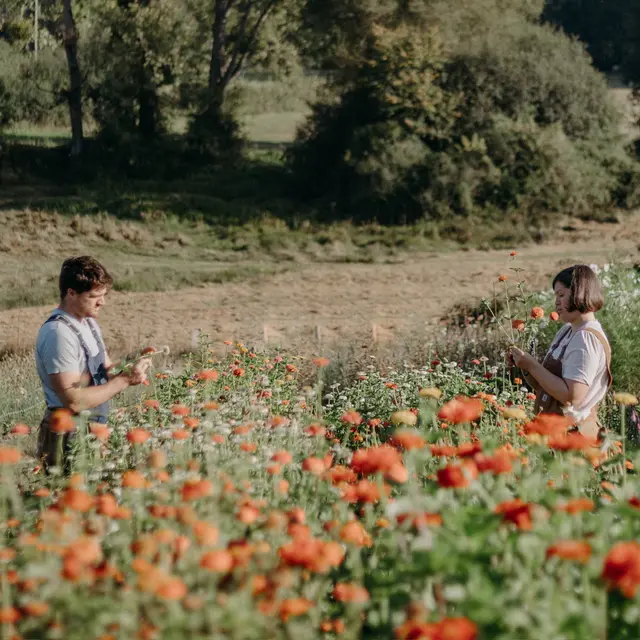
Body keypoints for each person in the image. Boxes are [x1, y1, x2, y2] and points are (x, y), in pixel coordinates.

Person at [35, 256, 150, 470]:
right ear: (71, 293)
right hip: (68, 435)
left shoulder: (88, 323)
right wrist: (125, 380)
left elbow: (105, 370)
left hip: (93, 429)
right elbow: (74, 400)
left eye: (103, 295)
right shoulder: (58, 334)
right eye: (94, 296)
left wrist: (130, 363)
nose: (102, 302)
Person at [509, 264, 612, 440]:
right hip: (555, 431)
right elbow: (547, 387)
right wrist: (524, 365)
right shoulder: (567, 331)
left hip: (573, 438)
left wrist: (533, 365)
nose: (556, 301)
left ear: (580, 292)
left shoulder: (586, 339)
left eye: (561, 295)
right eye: (556, 295)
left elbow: (572, 397)